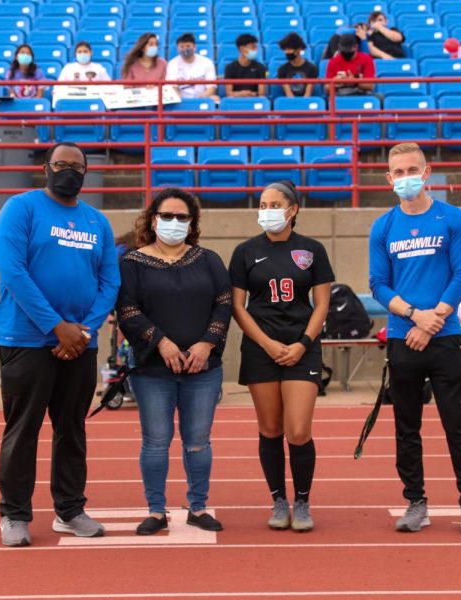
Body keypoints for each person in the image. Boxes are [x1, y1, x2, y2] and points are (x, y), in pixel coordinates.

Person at [0, 142, 120, 546]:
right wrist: (56, 326)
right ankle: (14, 514)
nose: (68, 170)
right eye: (60, 164)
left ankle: (69, 509)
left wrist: (82, 331)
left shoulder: (97, 221)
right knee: (23, 429)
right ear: (45, 168)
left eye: (76, 166)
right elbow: (13, 271)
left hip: (80, 343)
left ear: (86, 173)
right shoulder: (21, 208)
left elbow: (110, 281)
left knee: (72, 429)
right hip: (25, 339)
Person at [368, 142, 461, 536]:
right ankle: (415, 501)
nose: (406, 178)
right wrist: (412, 317)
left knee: (458, 427)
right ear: (389, 178)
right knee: (407, 428)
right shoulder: (383, 226)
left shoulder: (452, 219)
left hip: (445, 338)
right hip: (404, 340)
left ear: (427, 171)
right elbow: (378, 285)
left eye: (412, 170)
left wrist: (431, 320)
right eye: (398, 172)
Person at [117, 188, 232, 536]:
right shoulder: (132, 262)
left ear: (192, 222)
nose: (174, 222)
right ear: (153, 220)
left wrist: (206, 344)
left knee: (198, 441)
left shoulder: (208, 259)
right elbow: (127, 310)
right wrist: (161, 342)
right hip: (153, 369)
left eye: (182, 217)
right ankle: (155, 510)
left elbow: (224, 303)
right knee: (156, 440)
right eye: (167, 216)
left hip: (203, 369)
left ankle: (198, 506)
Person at [229, 180, 334, 532]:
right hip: (261, 348)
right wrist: (266, 343)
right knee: (270, 429)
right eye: (263, 204)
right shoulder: (245, 251)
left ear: (293, 210)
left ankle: (302, 500)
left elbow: (322, 305)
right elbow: (239, 308)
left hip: (301, 348)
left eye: (275, 204)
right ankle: (278, 498)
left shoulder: (312, 250)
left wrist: (304, 342)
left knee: (298, 430)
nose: (267, 210)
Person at [54, 41, 112, 105]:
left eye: (85, 51)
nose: (82, 54)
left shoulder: (99, 68)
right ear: (75, 54)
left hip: (94, 100)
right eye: (79, 52)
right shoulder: (68, 68)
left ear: (91, 53)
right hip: (72, 100)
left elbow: (108, 86)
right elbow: (59, 87)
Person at [166, 33, 218, 101]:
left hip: (203, 99)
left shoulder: (207, 62)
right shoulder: (172, 64)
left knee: (215, 99)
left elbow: (211, 88)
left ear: (194, 47)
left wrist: (200, 99)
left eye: (188, 46)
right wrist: (182, 101)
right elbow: (172, 88)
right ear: (177, 49)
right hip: (180, 101)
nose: (185, 49)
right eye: (181, 47)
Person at [224, 33, 267, 98]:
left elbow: (261, 93)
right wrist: (243, 93)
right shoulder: (230, 67)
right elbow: (229, 93)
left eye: (256, 47)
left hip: (254, 100)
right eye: (253, 47)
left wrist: (251, 94)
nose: (255, 50)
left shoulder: (260, 67)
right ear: (241, 49)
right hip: (235, 101)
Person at [277, 33, 318, 98]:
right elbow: (288, 93)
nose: (287, 52)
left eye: (289, 49)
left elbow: (308, 92)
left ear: (299, 49)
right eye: (285, 49)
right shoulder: (282, 69)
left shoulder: (312, 68)